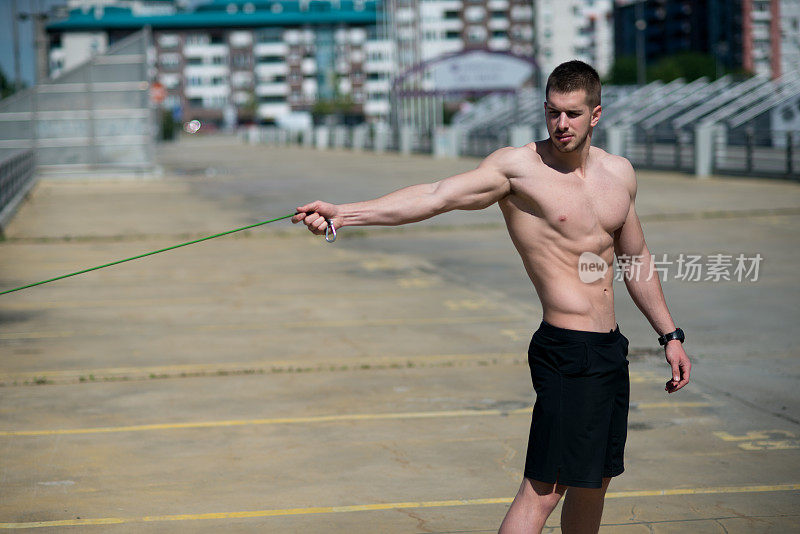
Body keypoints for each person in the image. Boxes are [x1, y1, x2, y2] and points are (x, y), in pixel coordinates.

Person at [292, 60, 691, 533]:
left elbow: (636, 258)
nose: (561, 124)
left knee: (595, 480)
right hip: (566, 349)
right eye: (552, 112)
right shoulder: (518, 169)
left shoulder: (619, 174)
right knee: (544, 489)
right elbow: (436, 195)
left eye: (572, 114)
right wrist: (344, 214)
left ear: (595, 115)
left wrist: (669, 334)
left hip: (609, 350)